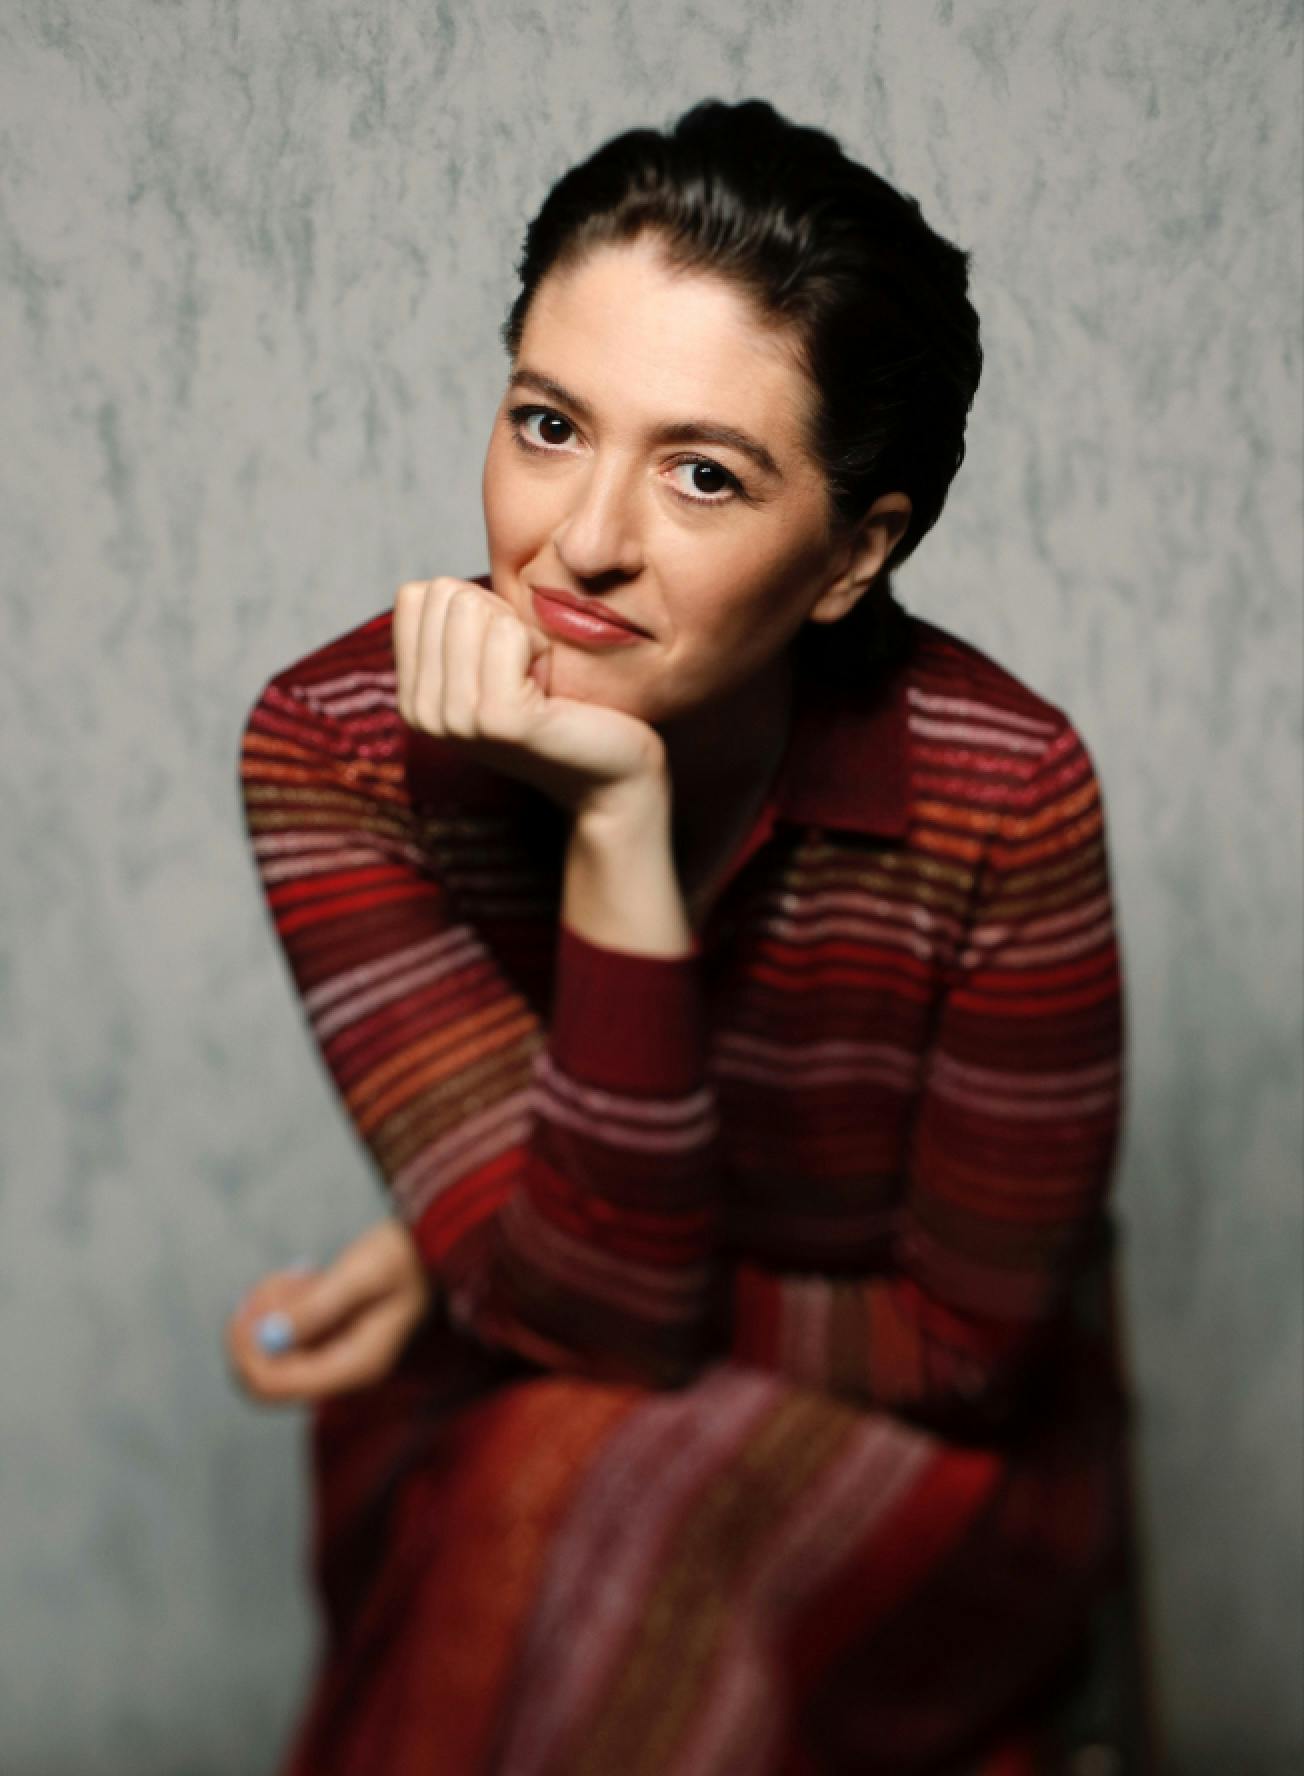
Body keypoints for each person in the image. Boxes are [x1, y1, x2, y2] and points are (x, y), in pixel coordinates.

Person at [228, 98, 1130, 1775]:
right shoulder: (341, 745)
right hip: (512, 1429)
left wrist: (457, 1274)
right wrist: (492, 1280)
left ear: (857, 554)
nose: (581, 544)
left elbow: (959, 1357)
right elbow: (584, 1329)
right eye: (549, 423)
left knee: (564, 1495)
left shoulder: (1005, 794)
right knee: (536, 1483)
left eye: (703, 474)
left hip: (926, 1487)